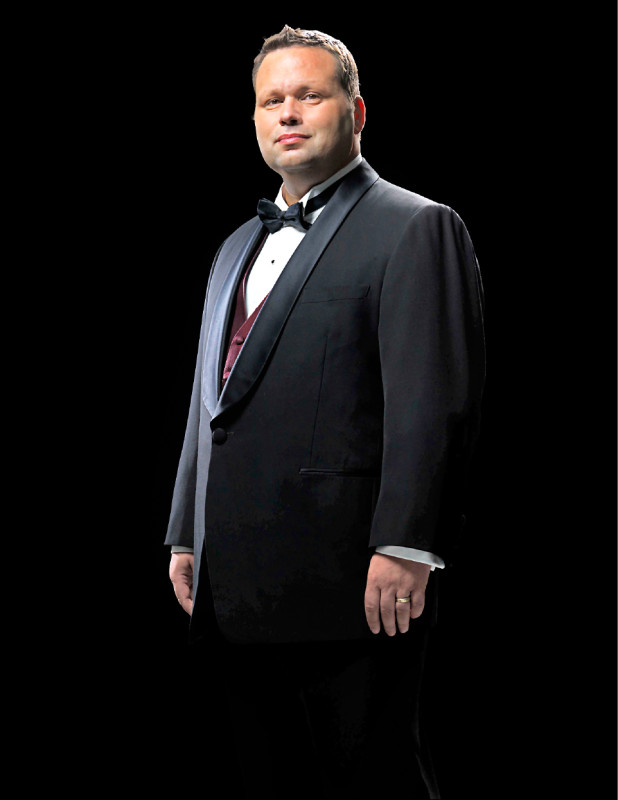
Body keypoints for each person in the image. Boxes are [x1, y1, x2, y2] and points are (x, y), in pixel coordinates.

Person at [165, 25, 485, 799]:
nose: (288, 112)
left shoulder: (415, 225)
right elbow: (210, 401)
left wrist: (407, 542)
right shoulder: (233, 247)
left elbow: (432, 398)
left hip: (352, 581)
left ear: (357, 111)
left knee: (374, 780)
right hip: (234, 580)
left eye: (309, 95)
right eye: (271, 100)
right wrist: (185, 529)